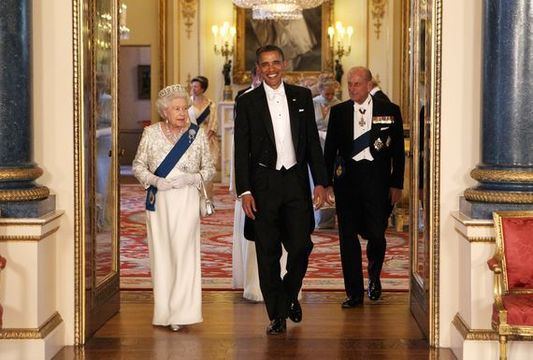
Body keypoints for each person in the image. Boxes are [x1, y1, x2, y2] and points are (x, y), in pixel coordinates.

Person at [234, 44, 328, 335]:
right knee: (268, 253)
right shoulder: (247, 101)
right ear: (259, 68)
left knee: (302, 246)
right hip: (263, 186)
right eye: (265, 64)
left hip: (296, 183)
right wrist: (245, 190)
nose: (271, 69)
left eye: (276, 63)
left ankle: (288, 296)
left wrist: (322, 182)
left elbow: (312, 142)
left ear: (283, 64)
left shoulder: (302, 96)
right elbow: (241, 150)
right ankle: (277, 314)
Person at [132, 84, 216, 332]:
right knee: (162, 253)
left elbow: (209, 168)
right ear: (164, 112)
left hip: (187, 199)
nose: (182, 113)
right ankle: (165, 311)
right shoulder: (151, 133)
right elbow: (138, 166)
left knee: (184, 251)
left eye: (184, 108)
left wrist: (192, 179)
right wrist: (155, 180)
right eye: (176, 109)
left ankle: (183, 311)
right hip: (159, 200)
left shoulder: (197, 134)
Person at [324, 66, 405, 308]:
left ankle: (374, 276)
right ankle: (354, 293)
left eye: (357, 84)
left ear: (369, 85)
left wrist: (396, 183)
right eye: (349, 84)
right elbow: (330, 150)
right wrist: (326, 183)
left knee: (377, 235)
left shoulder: (389, 111)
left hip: (377, 182)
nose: (352, 88)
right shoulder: (338, 112)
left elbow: (398, 152)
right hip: (347, 182)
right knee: (347, 238)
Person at [310, 77, 341, 229]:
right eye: (327, 94)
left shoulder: (338, 104)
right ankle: (316, 216)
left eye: (332, 94)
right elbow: (308, 126)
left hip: (331, 147)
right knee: (315, 181)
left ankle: (328, 219)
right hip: (316, 145)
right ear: (321, 90)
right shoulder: (313, 103)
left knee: (329, 181)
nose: (330, 97)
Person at [189, 76, 218, 198]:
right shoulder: (187, 103)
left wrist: (206, 138)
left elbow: (214, 123)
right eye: (192, 86)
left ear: (203, 89)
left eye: (196, 86)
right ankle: (192, 199)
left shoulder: (211, 105)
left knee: (207, 172)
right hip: (190, 140)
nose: (193, 89)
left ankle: (207, 199)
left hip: (208, 140)